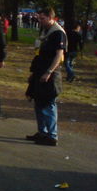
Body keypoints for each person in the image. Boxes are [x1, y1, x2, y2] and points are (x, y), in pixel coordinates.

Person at [25, 8, 67, 147]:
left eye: (42, 18)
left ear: (51, 17)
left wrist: (49, 72)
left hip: (50, 74)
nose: (40, 21)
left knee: (48, 104)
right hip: (40, 71)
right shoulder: (45, 31)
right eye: (39, 18)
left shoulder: (58, 33)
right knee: (39, 102)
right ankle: (42, 132)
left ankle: (52, 135)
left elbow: (59, 55)